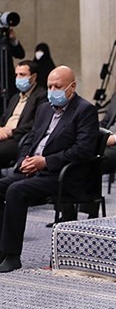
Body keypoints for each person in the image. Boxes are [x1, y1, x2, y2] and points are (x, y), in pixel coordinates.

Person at [0, 66, 99, 272]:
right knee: (2, 186)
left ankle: (12, 255)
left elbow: (83, 151)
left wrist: (45, 162)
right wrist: (24, 160)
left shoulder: (85, 111)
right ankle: (1, 249)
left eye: (58, 87)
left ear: (72, 87)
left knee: (16, 191)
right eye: (50, 86)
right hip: (34, 170)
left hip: (62, 174)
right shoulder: (44, 108)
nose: (53, 91)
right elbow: (30, 140)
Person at [0, 60, 47, 165]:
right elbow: (4, 118)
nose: (18, 78)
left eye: (22, 75)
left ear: (33, 77)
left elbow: (36, 123)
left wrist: (10, 132)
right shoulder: (15, 97)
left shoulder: (42, 96)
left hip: (19, 139)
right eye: (16, 75)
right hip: (4, 136)